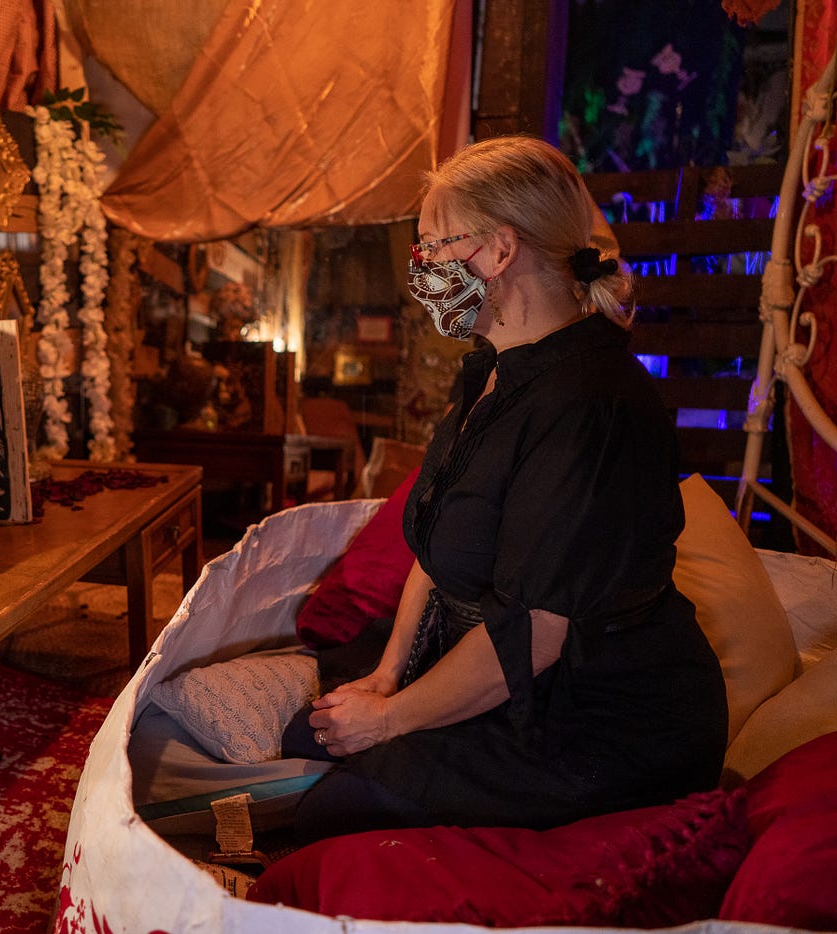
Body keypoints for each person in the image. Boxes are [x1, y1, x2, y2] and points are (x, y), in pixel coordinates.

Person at [294, 135, 728, 841]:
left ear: (499, 251)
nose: (422, 267)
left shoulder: (592, 403)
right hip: (502, 665)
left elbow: (537, 633)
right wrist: (387, 673)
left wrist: (390, 719)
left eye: (434, 246)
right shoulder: (493, 372)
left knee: (340, 807)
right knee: (308, 737)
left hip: (596, 717)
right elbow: (437, 551)